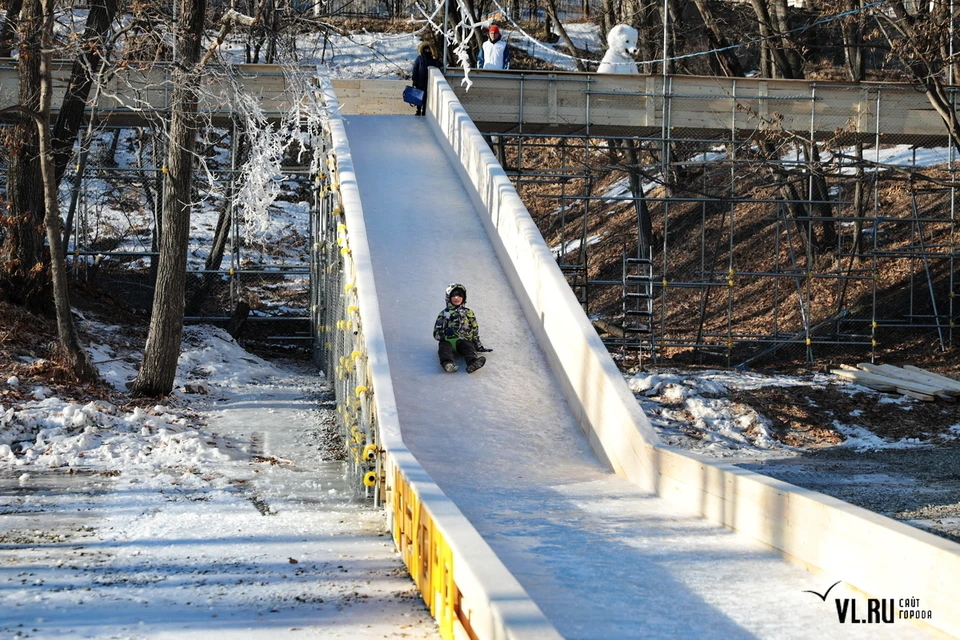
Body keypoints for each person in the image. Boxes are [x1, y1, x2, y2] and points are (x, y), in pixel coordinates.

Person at [433, 283, 491, 373]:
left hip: (463, 339)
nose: (457, 298)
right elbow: (436, 333)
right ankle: (448, 363)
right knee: (444, 347)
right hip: (447, 340)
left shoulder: (468, 313)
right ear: (448, 297)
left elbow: (474, 329)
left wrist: (478, 345)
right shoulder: (444, 314)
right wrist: (444, 334)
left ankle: (472, 362)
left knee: (468, 346)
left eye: (460, 295)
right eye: (454, 295)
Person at [411, 42, 439, 116]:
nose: (427, 50)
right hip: (420, 80)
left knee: (426, 97)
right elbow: (415, 69)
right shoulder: (419, 58)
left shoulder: (433, 59)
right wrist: (414, 79)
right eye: (426, 49)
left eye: (428, 49)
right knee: (419, 96)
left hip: (429, 81)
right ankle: (418, 110)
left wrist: (438, 63)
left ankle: (424, 111)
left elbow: (438, 64)